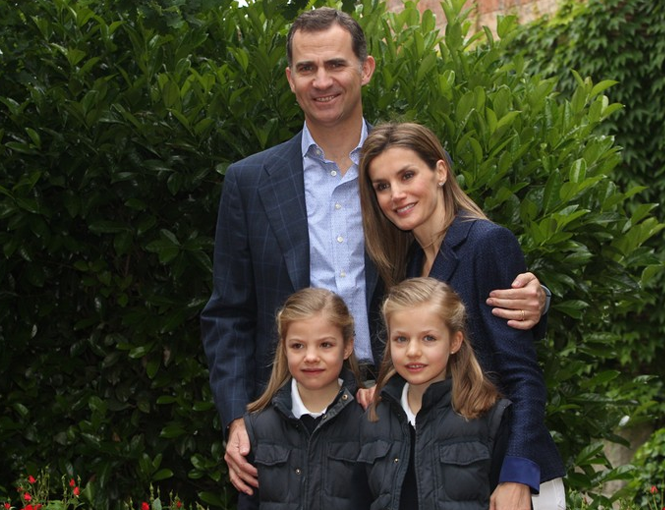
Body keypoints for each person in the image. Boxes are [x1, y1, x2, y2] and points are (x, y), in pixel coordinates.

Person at [200, 7, 548, 499]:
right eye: (307, 68)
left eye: (336, 64)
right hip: (289, 418)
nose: (322, 80)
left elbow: (462, 258)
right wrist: (239, 417)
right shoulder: (249, 181)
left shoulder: (399, 175)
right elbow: (228, 315)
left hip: (402, 407)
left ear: (365, 69)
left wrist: (537, 298)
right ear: (290, 79)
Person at [358, 122, 565, 510]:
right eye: (382, 186)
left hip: (503, 477)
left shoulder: (487, 243)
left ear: (440, 172)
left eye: (407, 175)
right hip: (449, 477)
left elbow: (522, 375)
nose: (396, 195)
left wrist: (516, 475)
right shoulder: (405, 264)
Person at [353, 277, 512, 510]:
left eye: (429, 338)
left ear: (455, 342)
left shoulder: (489, 415)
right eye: (401, 339)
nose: (413, 351)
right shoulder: (373, 418)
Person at [239, 287, 362, 510]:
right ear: (284, 348)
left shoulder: (370, 421)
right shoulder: (257, 427)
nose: (311, 357)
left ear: (347, 347)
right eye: (298, 346)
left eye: (325, 345)